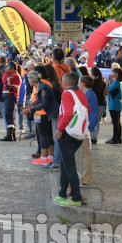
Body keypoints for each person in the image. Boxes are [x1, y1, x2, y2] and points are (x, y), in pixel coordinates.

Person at [54, 72, 90, 207]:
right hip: (78, 134)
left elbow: (68, 113)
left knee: (69, 165)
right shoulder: (81, 94)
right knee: (65, 162)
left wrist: (60, 129)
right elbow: (88, 110)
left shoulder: (66, 94)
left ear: (64, 83)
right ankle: (62, 193)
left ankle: (75, 197)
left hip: (68, 133)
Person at [23, 67, 58, 165]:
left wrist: (30, 109)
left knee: (43, 135)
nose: (28, 81)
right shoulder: (41, 86)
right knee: (47, 135)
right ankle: (50, 156)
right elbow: (40, 100)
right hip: (44, 113)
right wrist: (32, 104)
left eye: (28, 79)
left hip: (43, 113)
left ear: (32, 79)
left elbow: (44, 103)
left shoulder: (42, 88)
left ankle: (43, 157)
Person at [78, 75, 98, 185]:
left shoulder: (88, 95)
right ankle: (84, 177)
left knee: (85, 153)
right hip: (86, 127)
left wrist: (88, 127)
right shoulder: (88, 94)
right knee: (84, 153)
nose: (77, 84)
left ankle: (86, 178)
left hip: (86, 128)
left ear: (83, 84)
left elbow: (92, 113)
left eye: (79, 82)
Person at [0, 62, 21, 141]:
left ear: (12, 68)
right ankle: (12, 134)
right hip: (9, 96)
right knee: (10, 115)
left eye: (8, 67)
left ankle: (10, 135)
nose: (6, 68)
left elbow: (4, 81)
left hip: (11, 96)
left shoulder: (14, 76)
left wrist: (5, 72)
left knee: (9, 115)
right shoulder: (13, 75)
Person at [106, 67, 122, 144]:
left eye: (113, 72)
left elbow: (107, 90)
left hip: (113, 104)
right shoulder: (120, 82)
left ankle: (115, 139)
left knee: (115, 122)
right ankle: (118, 138)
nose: (111, 73)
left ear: (116, 74)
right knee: (117, 122)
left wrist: (107, 82)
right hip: (118, 103)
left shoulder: (115, 83)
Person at [89, 67, 107, 144]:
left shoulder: (90, 83)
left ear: (92, 73)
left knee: (90, 121)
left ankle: (90, 136)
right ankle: (94, 137)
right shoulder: (102, 83)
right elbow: (104, 95)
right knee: (97, 121)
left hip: (92, 104)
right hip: (101, 104)